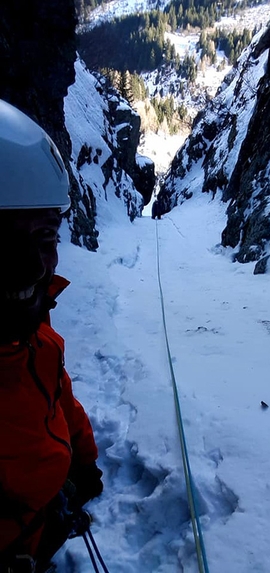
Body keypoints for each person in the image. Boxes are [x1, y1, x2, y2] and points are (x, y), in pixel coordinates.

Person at [0, 99, 103, 572]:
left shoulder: (37, 339)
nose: (32, 266)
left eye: (46, 238)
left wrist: (82, 460)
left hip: (41, 524)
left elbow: (58, 397)